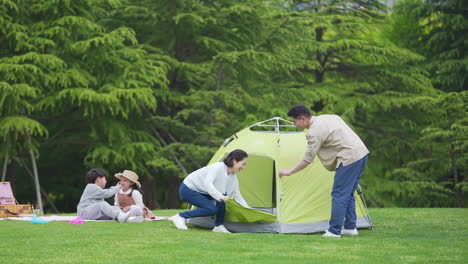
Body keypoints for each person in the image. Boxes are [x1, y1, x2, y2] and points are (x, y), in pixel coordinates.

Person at [279, 105, 369, 238]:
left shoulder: (314, 132)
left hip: (349, 158)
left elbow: (308, 159)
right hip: (361, 154)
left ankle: (334, 231)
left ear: (303, 119)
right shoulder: (327, 117)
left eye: (294, 121)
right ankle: (350, 227)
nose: (294, 124)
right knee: (348, 193)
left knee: (338, 194)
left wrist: (289, 172)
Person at [170, 149, 250, 233]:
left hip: (202, 192)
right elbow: (207, 184)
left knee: (222, 196)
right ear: (234, 161)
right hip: (187, 189)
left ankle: (218, 226)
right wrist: (220, 196)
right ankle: (180, 216)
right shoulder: (218, 167)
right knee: (212, 208)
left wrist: (248, 209)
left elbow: (237, 195)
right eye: (243, 164)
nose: (243, 167)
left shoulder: (233, 177)